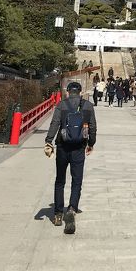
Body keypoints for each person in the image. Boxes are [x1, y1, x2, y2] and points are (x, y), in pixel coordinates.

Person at [44, 81, 96, 234]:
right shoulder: (88, 106)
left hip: (62, 146)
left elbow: (55, 123)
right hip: (79, 147)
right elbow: (92, 126)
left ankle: (58, 214)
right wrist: (91, 143)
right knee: (76, 180)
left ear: (68, 92)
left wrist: (48, 140)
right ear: (80, 92)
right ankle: (72, 208)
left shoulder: (62, 105)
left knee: (60, 180)